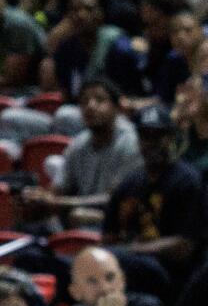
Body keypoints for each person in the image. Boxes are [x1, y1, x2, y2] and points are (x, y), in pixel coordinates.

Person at [100, 104, 208, 300]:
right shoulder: (130, 183)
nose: (151, 143)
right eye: (145, 136)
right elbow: (109, 235)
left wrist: (131, 250)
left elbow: (184, 247)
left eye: (158, 136)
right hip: (130, 268)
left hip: (173, 275)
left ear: (171, 138)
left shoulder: (188, 181)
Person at [22, 78, 140, 229]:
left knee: (79, 216)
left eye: (100, 100)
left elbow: (114, 199)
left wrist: (60, 203)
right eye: (84, 101)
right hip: (79, 215)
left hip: (118, 222)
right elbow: (57, 191)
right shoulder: (79, 143)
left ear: (117, 108)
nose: (90, 106)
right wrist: (40, 198)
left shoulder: (132, 143)